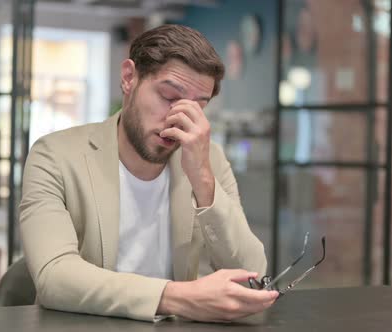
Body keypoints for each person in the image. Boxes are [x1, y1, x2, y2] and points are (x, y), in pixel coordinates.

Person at [19, 24, 278, 323]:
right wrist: (181, 298)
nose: (179, 118)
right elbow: (55, 276)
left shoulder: (208, 160)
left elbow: (252, 276)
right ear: (129, 78)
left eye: (197, 107)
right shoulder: (54, 156)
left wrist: (203, 180)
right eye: (169, 96)